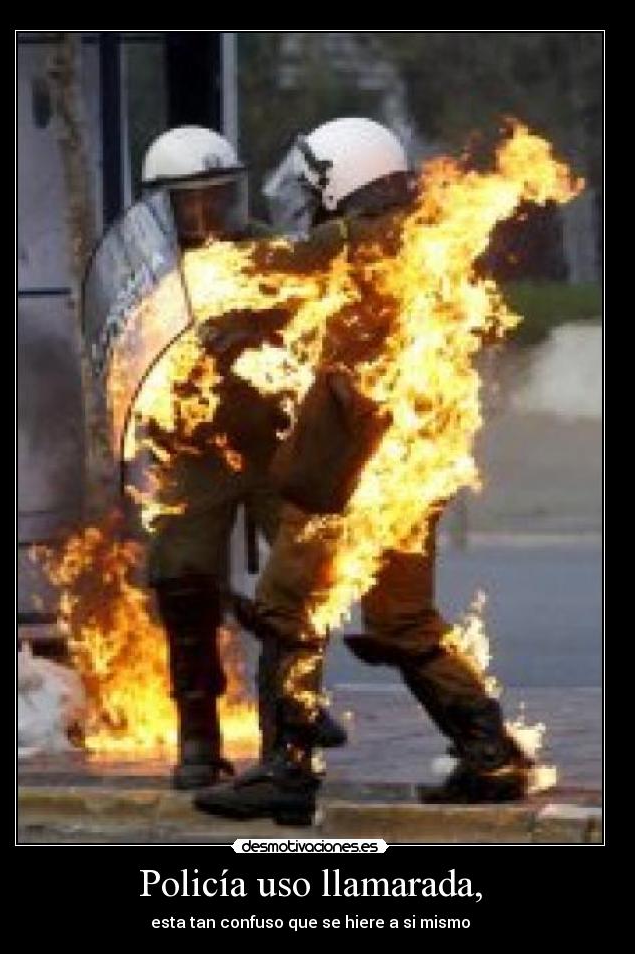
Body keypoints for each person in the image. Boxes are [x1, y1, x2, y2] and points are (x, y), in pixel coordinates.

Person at [194, 118, 533, 823]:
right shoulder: (417, 238)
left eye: (316, 185)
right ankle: (491, 754)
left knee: (287, 607)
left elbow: (269, 272)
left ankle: (285, 773)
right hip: (411, 461)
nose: (310, 200)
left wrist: (200, 271)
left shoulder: (354, 241)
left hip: (350, 459)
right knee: (402, 620)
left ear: (343, 181)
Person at [139, 126, 344, 791]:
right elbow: (126, 351)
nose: (207, 208)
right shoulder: (146, 266)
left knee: (298, 588)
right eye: (191, 197)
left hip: (272, 442)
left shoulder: (265, 249)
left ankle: (293, 728)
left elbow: (307, 321)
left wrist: (254, 326)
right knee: (183, 581)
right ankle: (198, 737)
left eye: (218, 192)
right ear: (163, 203)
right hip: (194, 451)